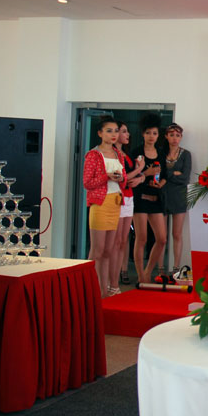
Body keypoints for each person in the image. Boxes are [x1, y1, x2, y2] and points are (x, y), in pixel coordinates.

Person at [82, 116, 126, 298]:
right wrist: (107, 176)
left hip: (115, 201)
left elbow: (123, 180)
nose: (113, 134)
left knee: (108, 250)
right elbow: (87, 183)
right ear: (100, 133)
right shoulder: (93, 154)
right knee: (97, 250)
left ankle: (104, 290)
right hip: (100, 203)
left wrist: (121, 178)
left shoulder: (118, 154)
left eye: (116, 131)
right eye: (109, 131)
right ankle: (88, 289)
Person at [131, 115, 168, 283]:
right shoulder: (136, 152)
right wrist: (147, 173)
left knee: (162, 239)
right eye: (148, 133)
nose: (151, 136)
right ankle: (141, 275)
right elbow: (131, 177)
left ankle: (148, 271)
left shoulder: (161, 153)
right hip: (140, 198)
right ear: (143, 134)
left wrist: (161, 183)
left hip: (156, 198)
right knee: (142, 238)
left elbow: (165, 175)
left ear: (158, 135)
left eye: (154, 133)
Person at [110, 121, 144, 291]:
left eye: (127, 131)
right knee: (116, 241)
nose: (127, 134)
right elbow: (122, 178)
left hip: (130, 197)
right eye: (124, 131)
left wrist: (141, 176)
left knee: (123, 241)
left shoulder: (126, 153)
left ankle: (116, 279)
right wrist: (139, 170)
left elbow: (133, 177)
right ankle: (111, 280)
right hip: (118, 196)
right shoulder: (113, 154)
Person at [163, 123, 192, 274]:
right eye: (172, 135)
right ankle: (160, 268)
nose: (175, 138)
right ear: (166, 136)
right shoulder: (161, 153)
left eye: (178, 135)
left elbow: (185, 177)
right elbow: (159, 173)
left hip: (179, 195)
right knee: (161, 236)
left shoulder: (186, 154)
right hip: (162, 195)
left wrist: (168, 176)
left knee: (176, 233)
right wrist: (174, 173)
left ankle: (176, 267)